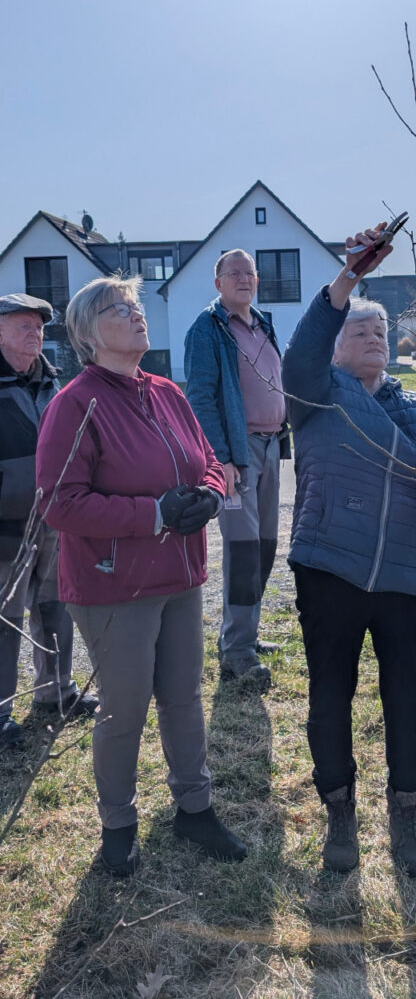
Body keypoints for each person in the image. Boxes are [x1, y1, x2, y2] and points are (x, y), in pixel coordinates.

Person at [282, 224, 416, 877]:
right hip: (330, 569)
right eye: (359, 329)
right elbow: (300, 350)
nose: (374, 338)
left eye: (381, 332)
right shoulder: (313, 396)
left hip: (405, 579)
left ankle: (405, 814)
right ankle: (339, 811)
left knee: (407, 701)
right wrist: (349, 279)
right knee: (329, 696)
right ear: (335, 343)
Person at [36, 275, 247, 876]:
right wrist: (152, 513)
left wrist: (208, 492)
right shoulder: (75, 404)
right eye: (120, 310)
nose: (137, 316)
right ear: (86, 332)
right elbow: (61, 502)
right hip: (114, 585)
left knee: (184, 698)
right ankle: (118, 827)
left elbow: (206, 460)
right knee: (123, 711)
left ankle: (194, 808)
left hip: (181, 575)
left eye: (136, 307)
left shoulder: (167, 392)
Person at [184, 250, 289, 689]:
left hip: (270, 446)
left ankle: (245, 633)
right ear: (218, 283)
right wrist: (220, 458)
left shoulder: (264, 324)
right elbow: (201, 399)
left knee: (265, 547)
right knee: (243, 550)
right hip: (237, 451)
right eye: (234, 273)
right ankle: (237, 651)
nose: (244, 278)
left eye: (250, 272)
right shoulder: (207, 329)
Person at [0, 293, 97, 749]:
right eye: (22, 326)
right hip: (4, 526)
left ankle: (56, 692)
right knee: (5, 618)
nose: (34, 334)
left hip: (54, 520)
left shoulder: (53, 382)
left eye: (38, 327)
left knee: (55, 608)